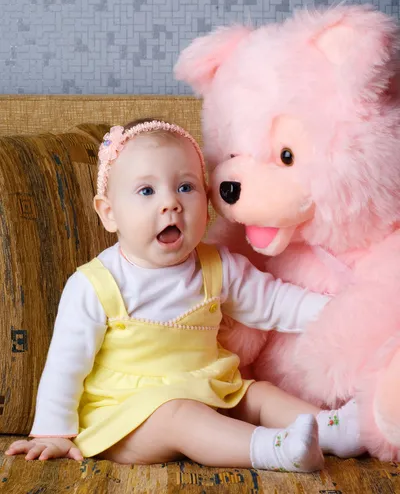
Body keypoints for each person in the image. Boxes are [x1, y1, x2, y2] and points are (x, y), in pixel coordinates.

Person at [5, 119, 365, 471]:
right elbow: (66, 366)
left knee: (258, 394)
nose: (170, 204)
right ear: (109, 213)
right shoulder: (96, 284)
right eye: (147, 191)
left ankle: (335, 430)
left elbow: (275, 303)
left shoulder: (217, 266)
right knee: (179, 415)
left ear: (206, 202)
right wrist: (53, 432)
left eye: (186, 187)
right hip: (129, 418)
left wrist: (343, 311)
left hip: (210, 390)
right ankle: (275, 449)